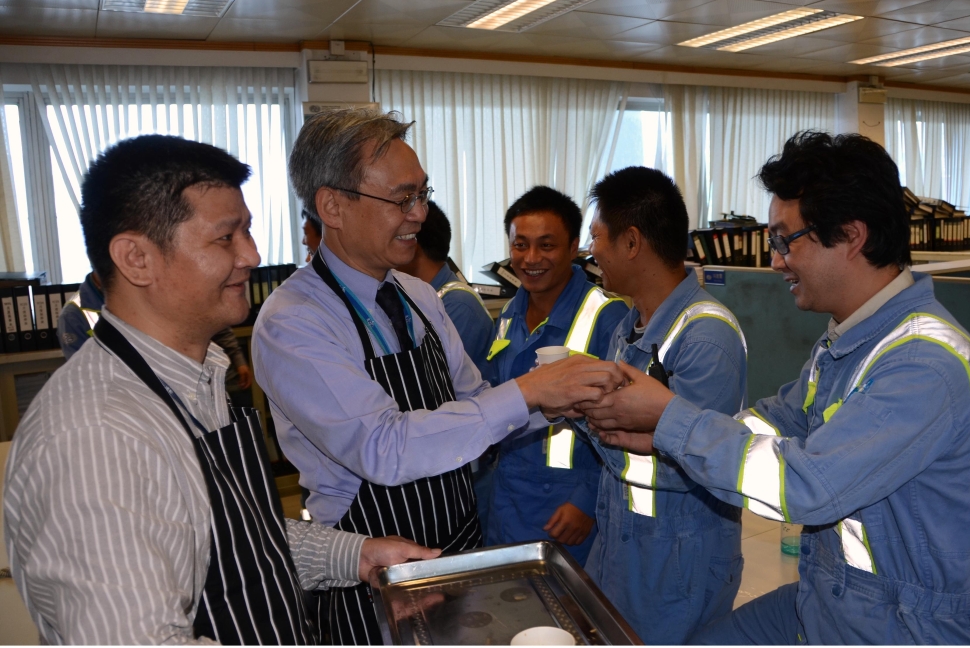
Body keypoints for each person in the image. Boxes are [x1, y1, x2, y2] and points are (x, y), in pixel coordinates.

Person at [3, 135, 438, 645]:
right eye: (225, 238)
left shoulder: (196, 378)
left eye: (248, 231)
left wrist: (356, 555)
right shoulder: (96, 435)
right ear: (136, 258)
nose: (252, 255)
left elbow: (224, 537)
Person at [584, 132, 970, 645]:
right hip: (831, 593)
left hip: (904, 622)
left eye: (786, 241)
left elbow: (807, 486)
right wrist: (659, 435)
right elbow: (776, 421)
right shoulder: (850, 342)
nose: (775, 262)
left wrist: (672, 416)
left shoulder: (923, 364)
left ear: (851, 236)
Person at [251, 109, 622, 645]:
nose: (421, 214)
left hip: (456, 550)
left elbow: (478, 409)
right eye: (402, 199)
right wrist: (528, 392)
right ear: (332, 205)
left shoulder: (419, 299)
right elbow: (384, 447)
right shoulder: (295, 322)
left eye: (423, 194)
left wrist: (562, 403)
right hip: (371, 575)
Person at [574, 167, 747, 644]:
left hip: (676, 559)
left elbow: (699, 464)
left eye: (597, 237)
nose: (592, 252)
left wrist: (589, 419)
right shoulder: (628, 326)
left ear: (632, 243)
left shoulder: (705, 337)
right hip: (622, 545)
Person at [483, 186, 628, 566]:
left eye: (546, 246)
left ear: (574, 247)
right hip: (508, 496)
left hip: (565, 507)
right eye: (520, 245)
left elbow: (626, 420)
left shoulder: (606, 316)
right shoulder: (510, 315)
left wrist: (588, 499)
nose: (530, 259)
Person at [59, 271, 255, 394]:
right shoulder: (74, 315)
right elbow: (87, 383)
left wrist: (237, 358)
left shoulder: (153, 287)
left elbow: (209, 317)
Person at [398, 200, 494, 371]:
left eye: (399, 238)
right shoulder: (419, 296)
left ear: (414, 245)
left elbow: (435, 379)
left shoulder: (458, 303)